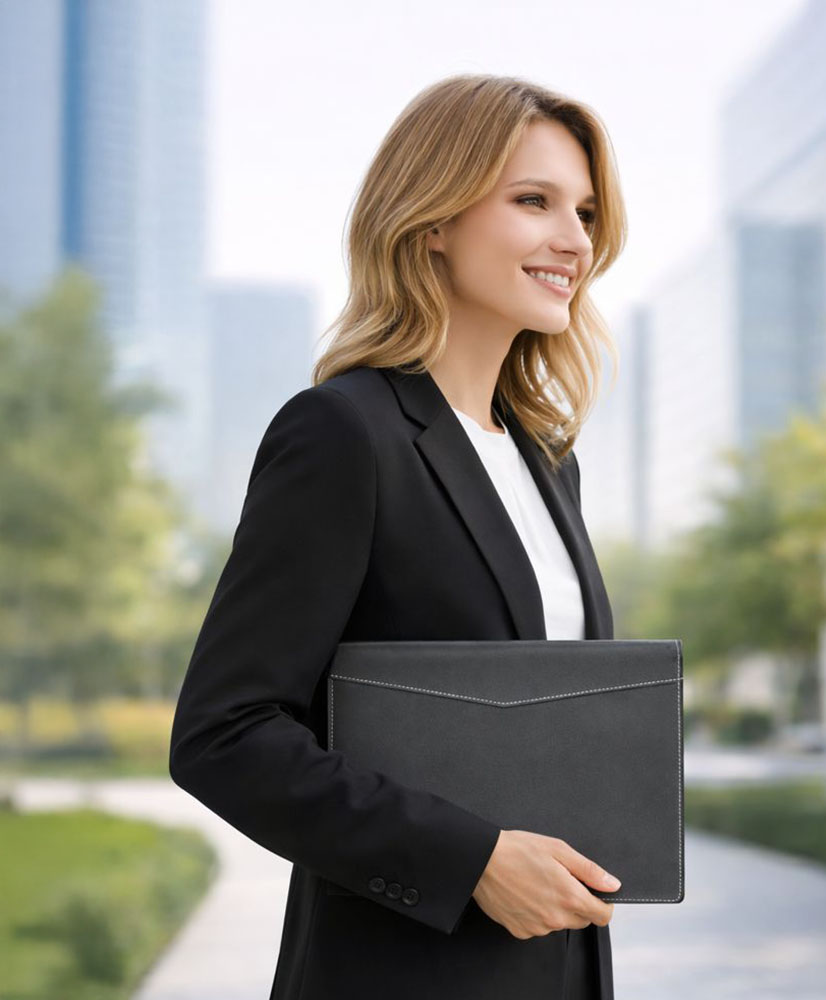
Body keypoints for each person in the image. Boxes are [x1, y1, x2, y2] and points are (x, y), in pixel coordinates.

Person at [168, 72, 627, 1000]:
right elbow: (225, 734)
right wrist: (471, 860)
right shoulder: (345, 433)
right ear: (433, 221)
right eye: (533, 201)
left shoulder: (547, 461)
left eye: (584, 211)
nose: (574, 240)